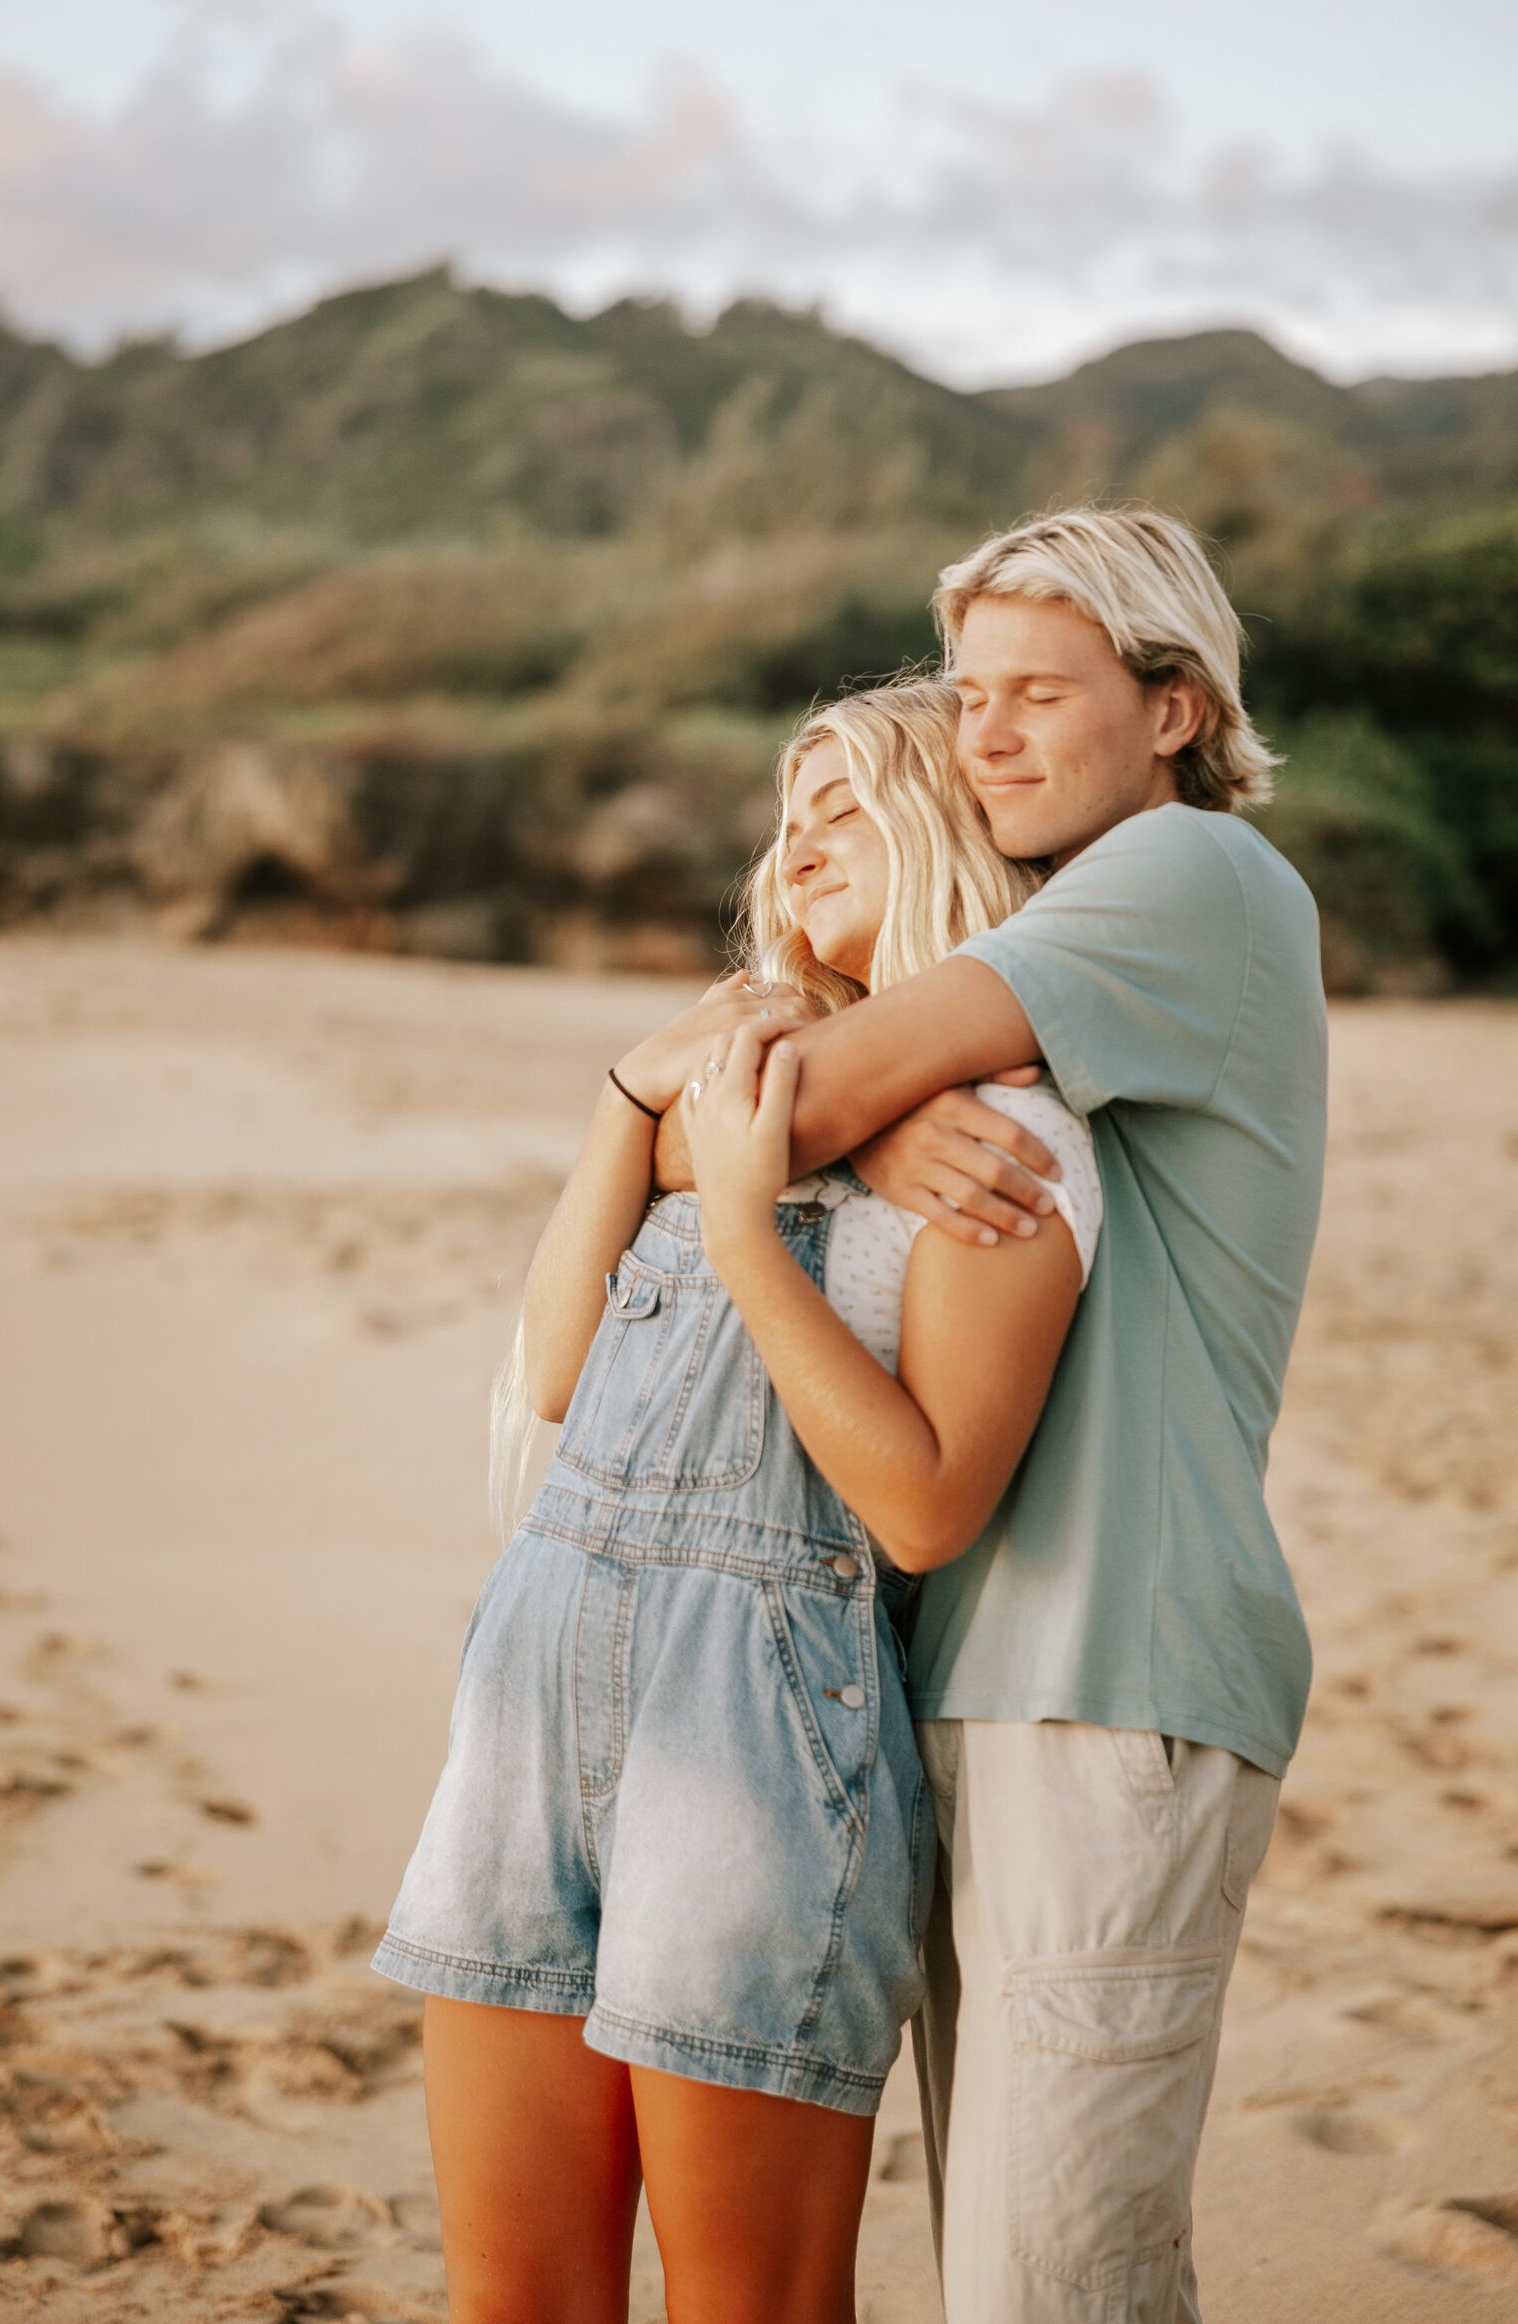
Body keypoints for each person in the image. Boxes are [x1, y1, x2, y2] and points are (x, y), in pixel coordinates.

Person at [653, 504, 1328, 2323]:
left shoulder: (1188, 877)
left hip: (1109, 1662)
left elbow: (752, 1101)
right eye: (968, 702)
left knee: (1051, 2288)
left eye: (1045, 693)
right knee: (1017, 2267)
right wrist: (860, 1110)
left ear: (1175, 709)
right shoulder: (1081, 930)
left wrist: (839, 1104)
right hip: (1002, 1664)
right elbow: (747, 1100)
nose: (994, 737)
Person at [373, 682, 1104, 2324]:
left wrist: (755, 1232)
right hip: (533, 1684)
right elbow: (554, 1373)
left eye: (844, 804)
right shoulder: (729, 1067)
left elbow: (922, 1513)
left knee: (745, 2308)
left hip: (761, 1726)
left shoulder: (1007, 1151)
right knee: (513, 2301)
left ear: (945, 824)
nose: (798, 846)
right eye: (790, 816)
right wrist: (631, 1108)